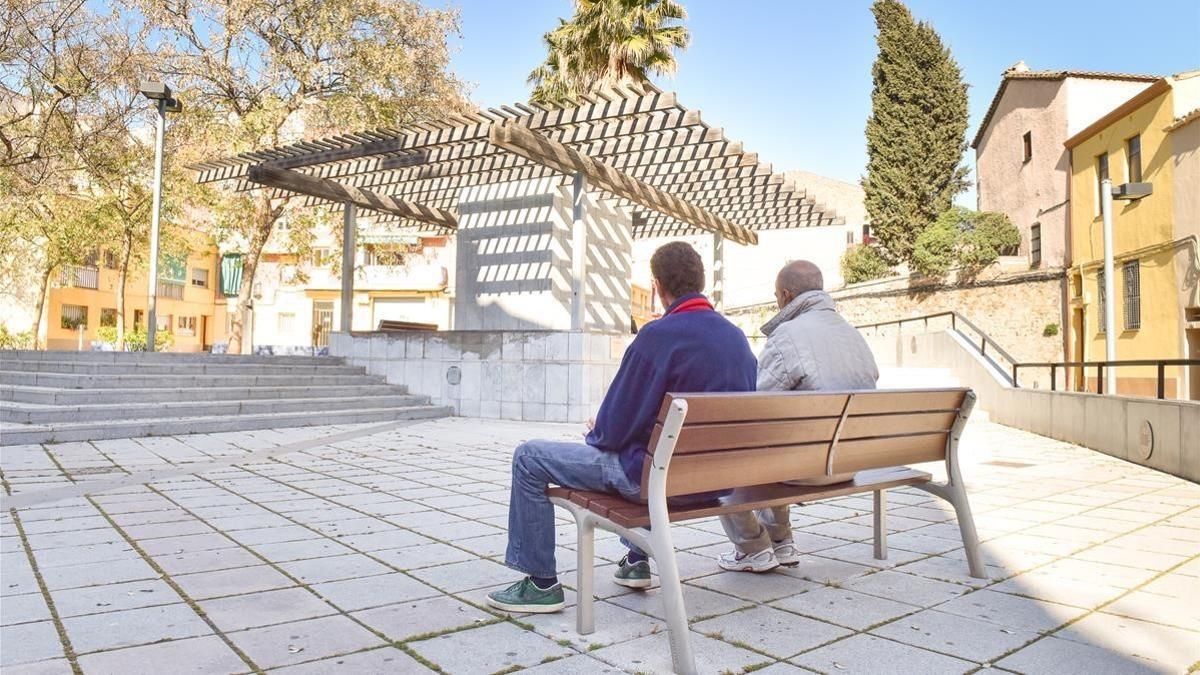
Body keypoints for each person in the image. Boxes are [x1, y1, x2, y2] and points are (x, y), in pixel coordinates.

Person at [487, 241, 757, 613]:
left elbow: (613, 430)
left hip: (657, 483)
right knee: (653, 446)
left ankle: (540, 583)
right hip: (714, 483)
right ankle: (635, 561)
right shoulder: (737, 338)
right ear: (702, 281)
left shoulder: (658, 336)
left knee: (529, 457)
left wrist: (597, 429)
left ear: (658, 286)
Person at [717, 260, 879, 573]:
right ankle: (782, 541)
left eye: (777, 296)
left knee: (726, 450)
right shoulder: (853, 335)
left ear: (787, 296)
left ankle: (752, 547)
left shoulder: (788, 335)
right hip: (847, 463)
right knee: (782, 443)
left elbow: (755, 407)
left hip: (807, 468)